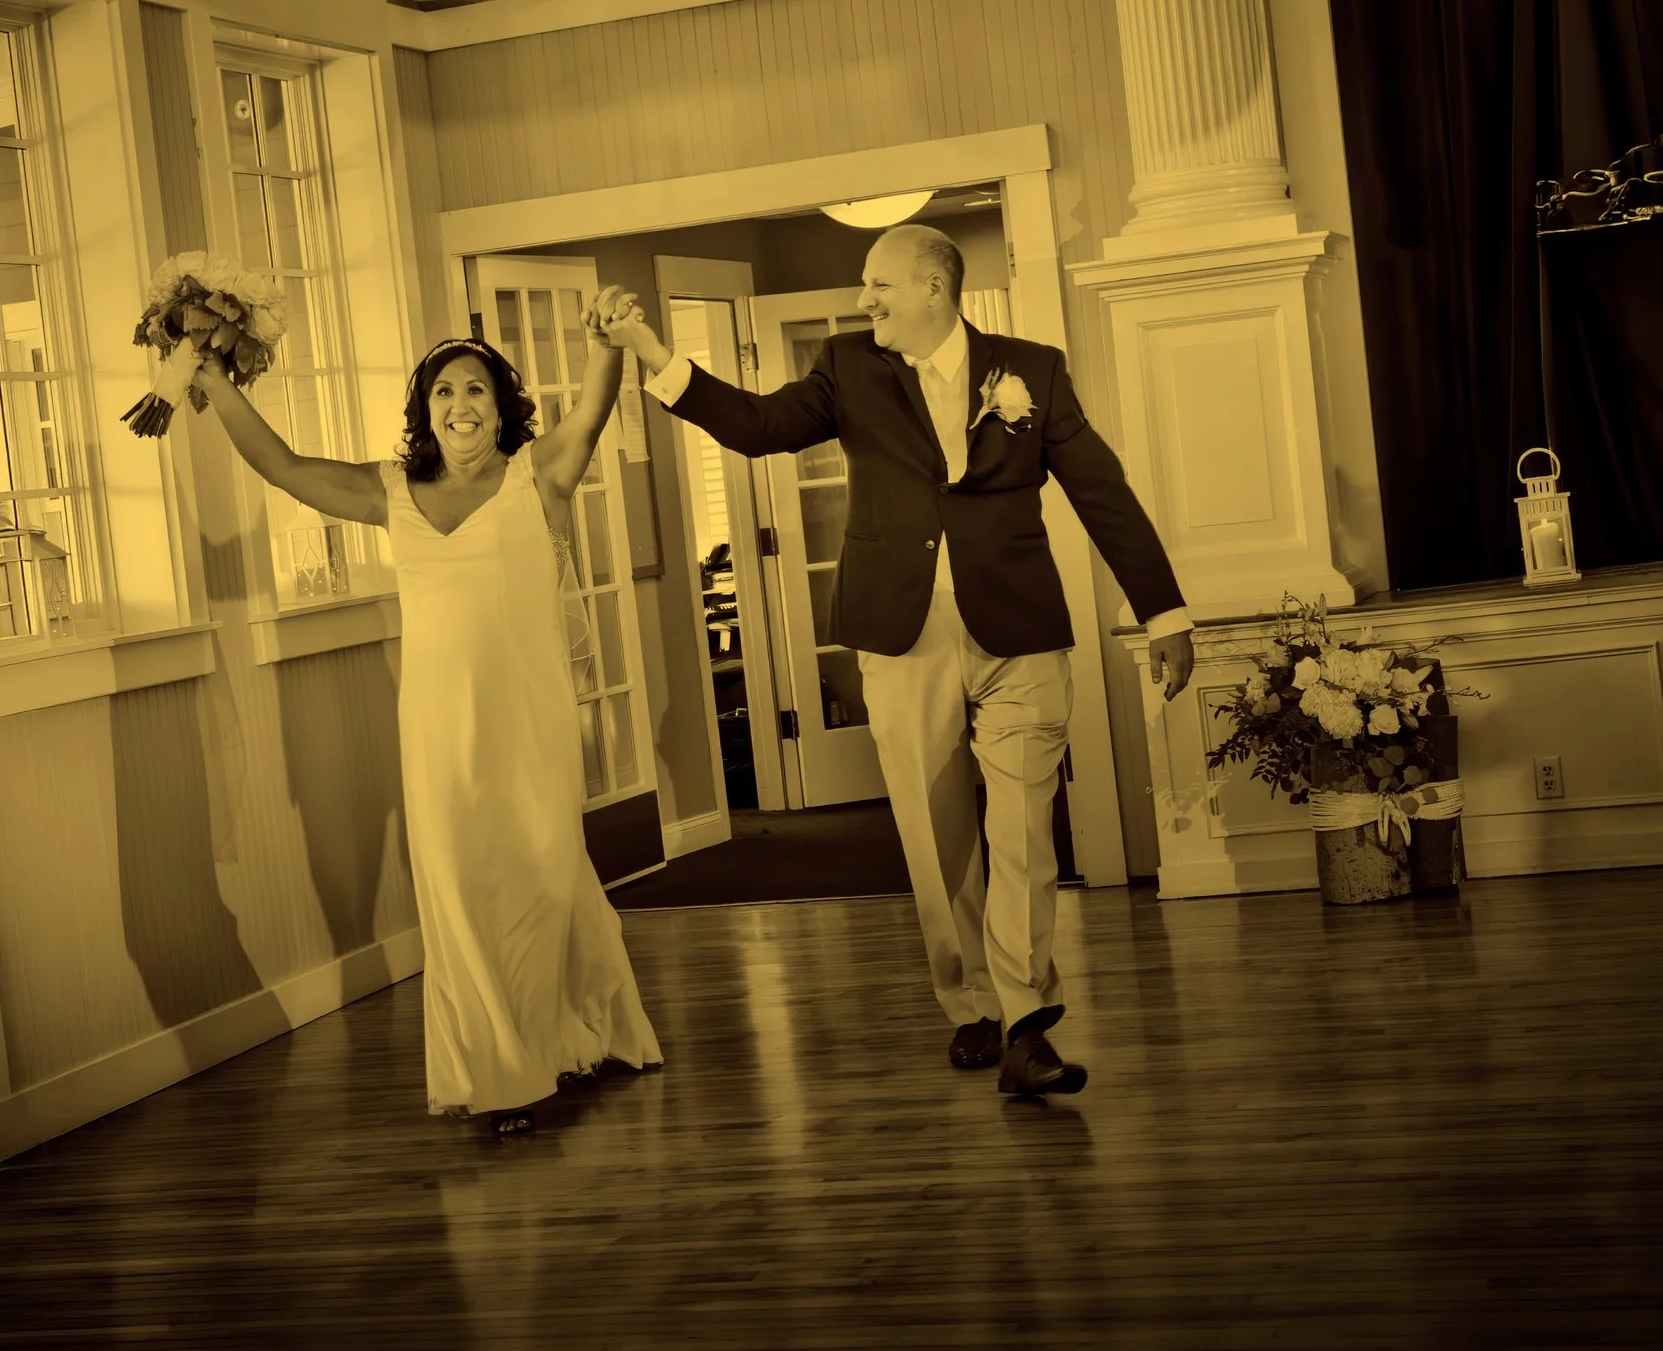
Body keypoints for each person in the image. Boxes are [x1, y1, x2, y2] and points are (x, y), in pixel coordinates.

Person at [597, 226, 1193, 1097]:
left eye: (880, 283)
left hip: (1019, 629)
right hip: (903, 630)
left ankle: (1029, 1023)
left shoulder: (1034, 368)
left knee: (1023, 826)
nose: (866, 297)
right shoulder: (848, 367)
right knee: (935, 828)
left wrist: (1164, 610)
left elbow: (1101, 488)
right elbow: (759, 427)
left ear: (934, 288)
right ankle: (973, 1004)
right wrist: (652, 351)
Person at [196, 300, 660, 1135]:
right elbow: (283, 465)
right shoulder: (391, 494)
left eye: (475, 389)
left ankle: (577, 1024)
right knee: (457, 895)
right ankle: (498, 1077)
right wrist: (210, 378)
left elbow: (594, 409)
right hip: (438, 733)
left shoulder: (539, 473)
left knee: (545, 881)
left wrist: (603, 346)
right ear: (425, 410)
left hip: (530, 725)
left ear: (501, 404)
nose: (460, 406)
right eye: (443, 391)